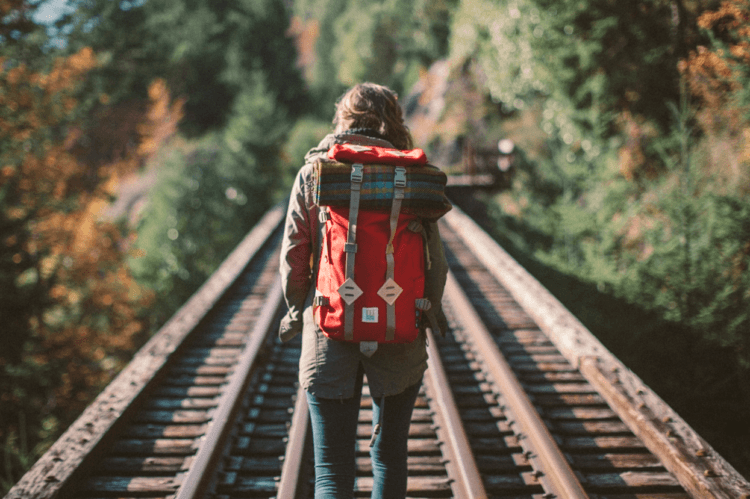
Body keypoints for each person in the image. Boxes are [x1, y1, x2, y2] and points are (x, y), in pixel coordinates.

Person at [278, 82, 449, 499]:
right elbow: (435, 263)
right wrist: (426, 309)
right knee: (389, 455)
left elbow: (294, 256)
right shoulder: (414, 177)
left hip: (329, 323)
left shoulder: (316, 172)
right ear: (394, 121)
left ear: (344, 119)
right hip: (397, 324)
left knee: (331, 470)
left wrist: (298, 309)